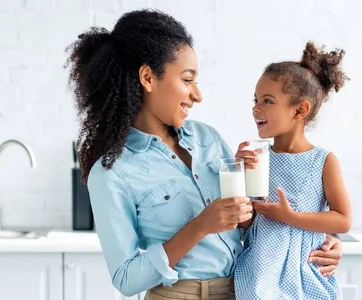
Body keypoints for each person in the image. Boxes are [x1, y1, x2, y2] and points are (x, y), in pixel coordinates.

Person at [65, 9, 344, 299]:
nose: (198, 95)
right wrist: (199, 227)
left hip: (242, 289)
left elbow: (250, 225)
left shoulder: (206, 138)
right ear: (148, 77)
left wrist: (320, 241)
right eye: (188, 80)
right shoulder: (111, 172)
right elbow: (125, 278)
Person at [233, 41, 352, 299]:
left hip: (305, 274)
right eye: (256, 99)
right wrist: (238, 178)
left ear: (300, 110)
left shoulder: (323, 160)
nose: (256, 107)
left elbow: (342, 220)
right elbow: (246, 223)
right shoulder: (257, 157)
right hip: (258, 272)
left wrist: (290, 216)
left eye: (268, 100)